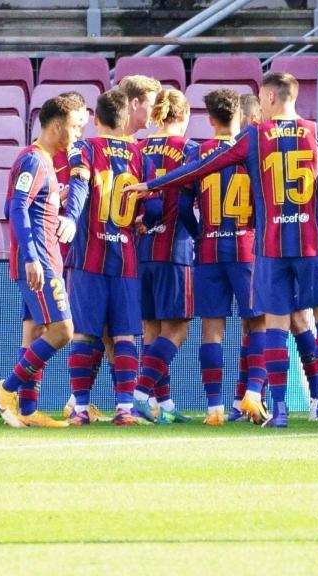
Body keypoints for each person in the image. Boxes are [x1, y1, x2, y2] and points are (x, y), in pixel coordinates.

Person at [124, 72, 318, 428]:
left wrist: (152, 184)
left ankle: (276, 409)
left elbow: (200, 168)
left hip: (269, 247)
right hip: (309, 242)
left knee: (275, 324)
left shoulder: (254, 137)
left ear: (270, 98)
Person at [56, 90, 154, 426]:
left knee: (85, 333)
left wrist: (70, 214)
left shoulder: (85, 148)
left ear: (96, 119)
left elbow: (80, 185)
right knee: (125, 335)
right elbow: (152, 206)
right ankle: (124, 408)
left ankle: (80, 408)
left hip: (89, 257)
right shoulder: (140, 156)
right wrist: (143, 221)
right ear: (125, 119)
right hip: (125, 257)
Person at [0, 95, 82, 428]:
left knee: (36, 332)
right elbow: (16, 209)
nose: (77, 135)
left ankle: (27, 411)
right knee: (63, 330)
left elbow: (24, 206)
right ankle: (7, 389)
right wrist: (31, 257)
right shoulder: (33, 160)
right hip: (38, 261)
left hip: (47, 259)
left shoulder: (45, 163)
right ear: (56, 127)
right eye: (74, 127)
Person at [185, 88, 265, 426]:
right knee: (258, 322)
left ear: (210, 118)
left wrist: (199, 232)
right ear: (242, 117)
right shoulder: (253, 153)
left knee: (212, 330)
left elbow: (180, 206)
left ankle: (215, 407)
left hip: (209, 248)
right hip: (246, 247)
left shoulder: (198, 153)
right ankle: (252, 395)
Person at [133, 87, 199, 425]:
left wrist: (144, 221)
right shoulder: (189, 150)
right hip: (175, 248)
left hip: (142, 251)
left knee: (151, 330)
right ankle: (141, 394)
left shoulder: (140, 148)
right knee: (177, 330)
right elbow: (179, 203)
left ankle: (164, 405)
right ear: (184, 116)